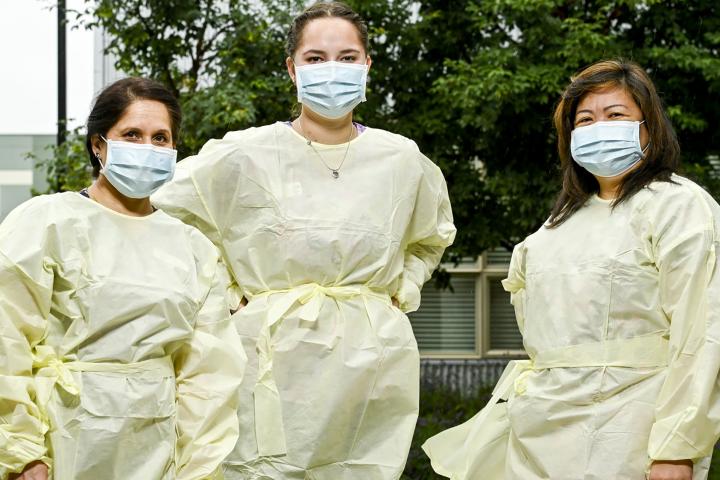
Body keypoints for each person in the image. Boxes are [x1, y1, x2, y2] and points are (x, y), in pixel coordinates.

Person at [152, 2, 456, 478]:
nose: (331, 69)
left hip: (368, 354)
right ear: (292, 69)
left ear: (367, 66)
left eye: (347, 56)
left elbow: (431, 236)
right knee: (259, 464)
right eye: (315, 58)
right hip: (269, 352)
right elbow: (170, 212)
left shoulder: (401, 159)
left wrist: (403, 288)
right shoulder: (245, 153)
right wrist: (227, 293)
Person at [423, 59, 720, 480]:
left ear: (648, 127)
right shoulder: (557, 224)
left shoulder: (678, 206)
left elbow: (703, 335)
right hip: (537, 432)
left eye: (615, 115)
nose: (599, 127)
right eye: (585, 119)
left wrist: (678, 449)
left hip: (629, 432)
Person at [0, 77, 245, 480]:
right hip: (62, 443)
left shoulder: (194, 249)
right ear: (99, 145)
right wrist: (22, 452)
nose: (147, 148)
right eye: (132, 134)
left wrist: (199, 468)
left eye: (160, 138)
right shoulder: (46, 222)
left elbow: (209, 376)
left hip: (156, 449)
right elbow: (7, 340)